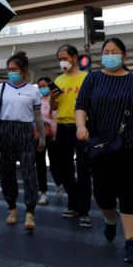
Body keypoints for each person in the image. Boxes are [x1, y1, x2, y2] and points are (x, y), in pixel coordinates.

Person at [75, 38, 133, 264]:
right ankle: (110, 219)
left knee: (129, 193)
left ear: (125, 55)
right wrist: (81, 126)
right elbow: (81, 105)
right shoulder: (93, 78)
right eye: (106, 51)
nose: (110, 55)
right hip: (100, 145)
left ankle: (131, 242)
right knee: (103, 194)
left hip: (132, 145)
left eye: (115, 51)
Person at [0, 52, 47, 230]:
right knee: (6, 172)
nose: (11, 72)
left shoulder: (33, 90)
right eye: (9, 69)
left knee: (29, 172)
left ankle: (30, 212)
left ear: (24, 70)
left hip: (25, 132)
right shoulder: (1, 88)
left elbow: (38, 116)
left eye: (15, 69)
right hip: (5, 130)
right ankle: (12, 208)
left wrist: (42, 137)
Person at [49, 44, 92, 228]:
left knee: (83, 170)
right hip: (63, 127)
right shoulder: (59, 79)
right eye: (60, 59)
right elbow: (54, 107)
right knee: (63, 169)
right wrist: (53, 97)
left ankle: (84, 211)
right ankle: (73, 204)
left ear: (75, 58)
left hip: (82, 127)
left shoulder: (87, 78)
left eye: (65, 58)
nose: (62, 62)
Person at [35, 77, 61, 205]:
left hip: (54, 138)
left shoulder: (57, 101)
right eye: (39, 86)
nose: (41, 88)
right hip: (40, 137)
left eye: (44, 85)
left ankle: (59, 183)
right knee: (40, 166)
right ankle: (43, 193)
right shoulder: (37, 101)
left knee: (55, 165)